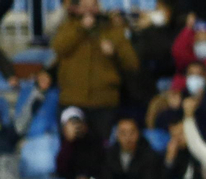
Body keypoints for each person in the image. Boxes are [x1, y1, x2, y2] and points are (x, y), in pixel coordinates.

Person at [53, 0, 141, 140]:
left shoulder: (112, 30)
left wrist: (114, 52)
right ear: (77, 8)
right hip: (72, 100)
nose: (89, 10)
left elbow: (132, 63)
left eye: (93, 5)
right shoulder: (68, 27)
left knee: (102, 147)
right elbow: (58, 48)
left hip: (104, 103)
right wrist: (81, 29)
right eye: (85, 6)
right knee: (71, 146)